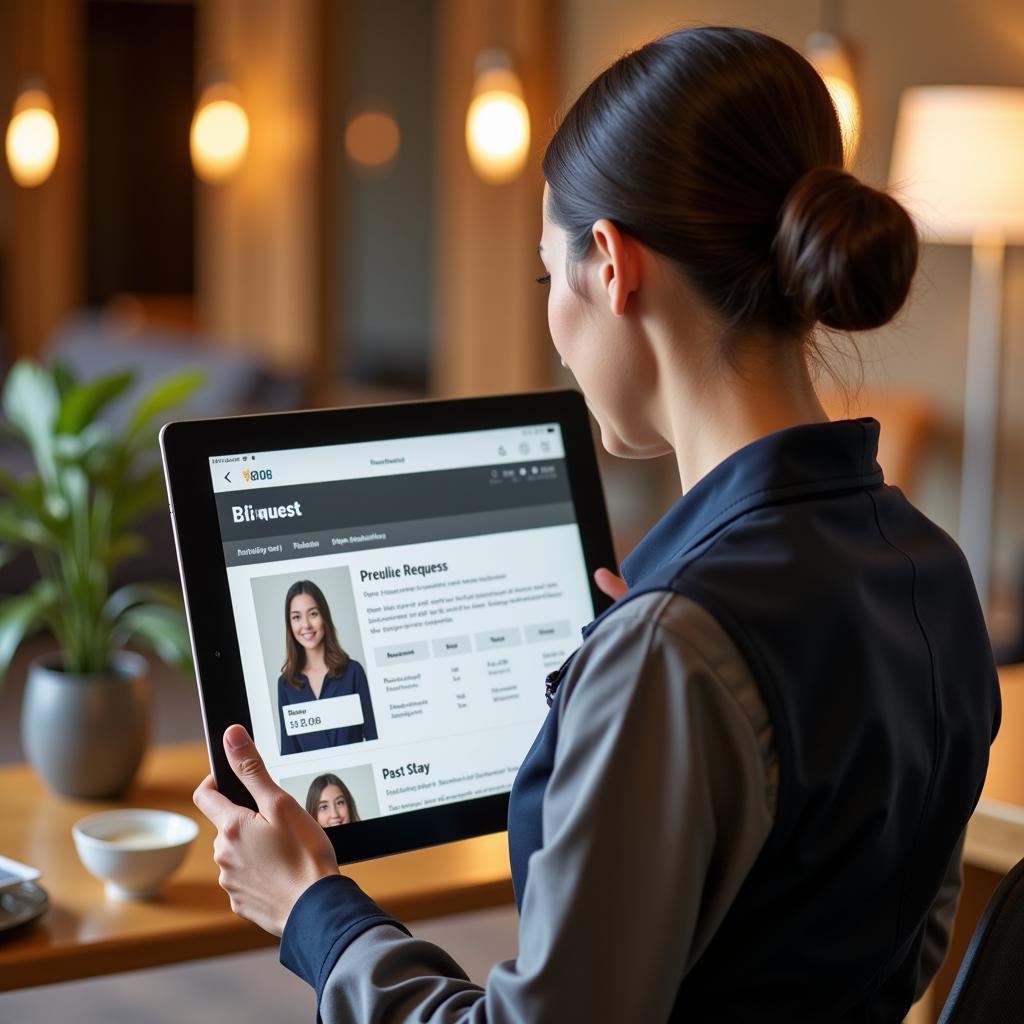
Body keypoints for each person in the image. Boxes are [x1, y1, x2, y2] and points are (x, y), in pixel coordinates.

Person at [194, 26, 1000, 1022]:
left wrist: (310, 907)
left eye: (548, 277)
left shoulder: (676, 644)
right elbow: (906, 942)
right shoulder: (933, 567)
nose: (557, 334)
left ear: (611, 265)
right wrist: (646, 668)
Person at [277, 579, 377, 755]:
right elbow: (289, 751)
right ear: (290, 624)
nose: (306, 625)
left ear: (324, 616)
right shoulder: (285, 685)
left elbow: (373, 737)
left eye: (313, 614)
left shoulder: (353, 672)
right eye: (296, 617)